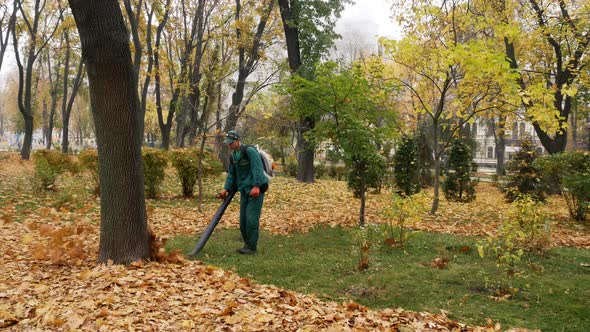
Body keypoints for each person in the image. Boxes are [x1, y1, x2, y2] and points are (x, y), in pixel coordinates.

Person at [217, 130, 269, 255]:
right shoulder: (233, 155)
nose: (229, 146)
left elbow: (257, 168)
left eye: (231, 143)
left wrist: (257, 186)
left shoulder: (249, 151)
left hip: (256, 189)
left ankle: (252, 248)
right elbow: (232, 174)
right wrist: (226, 189)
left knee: (251, 219)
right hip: (244, 190)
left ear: (237, 140)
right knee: (243, 221)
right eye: (228, 143)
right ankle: (247, 245)